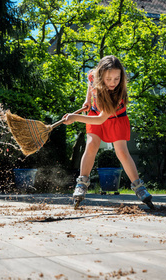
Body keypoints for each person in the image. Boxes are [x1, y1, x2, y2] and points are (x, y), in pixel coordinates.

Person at [62, 55, 154, 210]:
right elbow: (90, 85)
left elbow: (100, 120)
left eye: (117, 79)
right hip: (95, 114)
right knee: (91, 145)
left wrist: (75, 118)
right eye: (109, 79)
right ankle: (82, 184)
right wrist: (88, 100)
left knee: (122, 152)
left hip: (115, 118)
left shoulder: (116, 94)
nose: (113, 83)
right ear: (100, 75)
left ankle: (139, 188)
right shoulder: (92, 74)